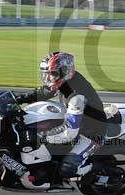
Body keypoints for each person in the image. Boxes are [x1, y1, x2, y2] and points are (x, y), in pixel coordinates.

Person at [15, 51, 107, 179]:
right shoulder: (65, 80)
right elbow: (45, 92)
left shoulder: (76, 96)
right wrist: (17, 98)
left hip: (90, 132)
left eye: (52, 74)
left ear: (65, 71)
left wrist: (43, 136)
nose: (48, 78)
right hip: (75, 119)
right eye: (46, 74)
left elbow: (70, 131)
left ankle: (94, 168)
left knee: (66, 170)